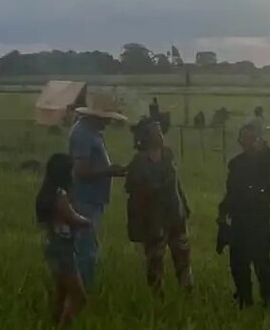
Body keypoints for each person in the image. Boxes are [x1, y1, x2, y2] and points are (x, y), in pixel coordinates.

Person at [67, 91, 129, 290]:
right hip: (84, 199)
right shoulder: (82, 133)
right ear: (95, 116)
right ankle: (82, 291)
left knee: (87, 246)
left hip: (93, 199)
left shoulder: (94, 133)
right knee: (87, 250)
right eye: (107, 118)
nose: (109, 123)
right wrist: (109, 171)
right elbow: (81, 170)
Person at [125, 117, 193, 294]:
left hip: (175, 213)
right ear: (146, 137)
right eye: (156, 132)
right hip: (153, 217)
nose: (160, 135)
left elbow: (176, 183)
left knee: (183, 253)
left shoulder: (168, 154)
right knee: (155, 257)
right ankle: (157, 295)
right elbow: (134, 191)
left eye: (160, 132)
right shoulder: (139, 161)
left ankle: (187, 289)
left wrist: (184, 204)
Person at [218, 124, 270, 309]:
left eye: (253, 138)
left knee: (262, 263)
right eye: (245, 137)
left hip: (259, 220)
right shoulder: (236, 163)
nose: (249, 141)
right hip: (239, 219)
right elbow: (231, 192)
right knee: (238, 264)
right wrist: (222, 213)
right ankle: (244, 298)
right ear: (240, 141)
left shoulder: (264, 161)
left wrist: (265, 149)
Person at [36, 153, 91, 326]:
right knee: (78, 296)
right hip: (63, 249)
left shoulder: (47, 192)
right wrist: (87, 221)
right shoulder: (60, 195)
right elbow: (71, 217)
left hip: (53, 245)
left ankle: (54, 325)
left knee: (62, 293)